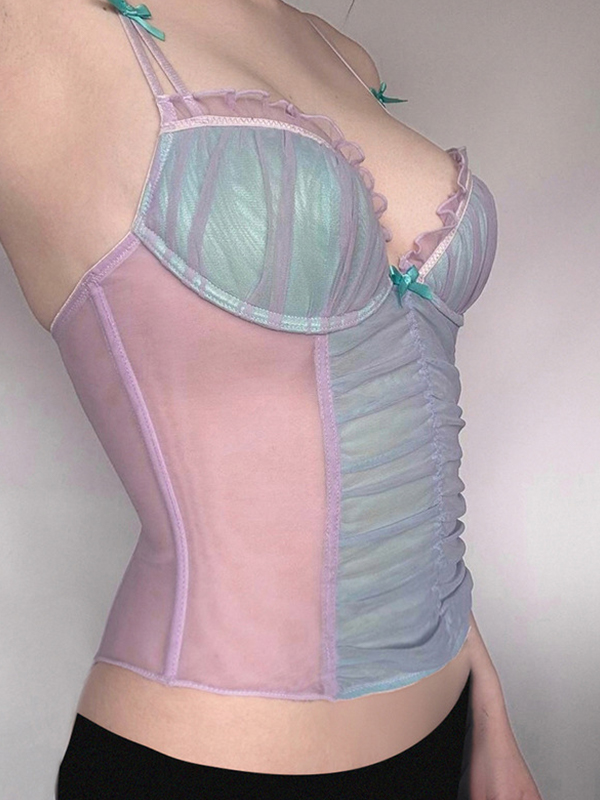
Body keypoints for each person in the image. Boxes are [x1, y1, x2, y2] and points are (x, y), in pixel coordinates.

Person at [0, 0, 543, 797]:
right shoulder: (30, 26)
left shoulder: (337, 48)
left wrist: (486, 706)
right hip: (206, 765)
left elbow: (405, 448)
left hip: (447, 734)